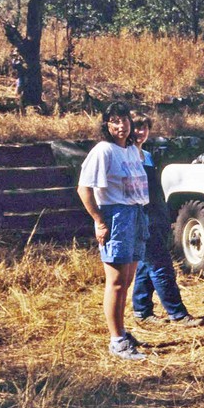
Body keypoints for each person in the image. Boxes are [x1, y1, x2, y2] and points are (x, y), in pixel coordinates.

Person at [76, 102, 150, 361]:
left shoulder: (131, 150)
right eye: (114, 121)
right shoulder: (103, 151)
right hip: (116, 217)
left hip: (136, 214)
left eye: (124, 120)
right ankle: (116, 340)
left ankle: (122, 331)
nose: (121, 126)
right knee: (116, 282)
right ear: (106, 125)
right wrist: (99, 220)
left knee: (127, 281)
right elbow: (84, 189)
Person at [130, 111, 203, 327]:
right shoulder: (126, 156)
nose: (140, 132)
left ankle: (141, 310)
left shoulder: (147, 155)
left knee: (146, 265)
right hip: (142, 220)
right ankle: (178, 314)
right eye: (136, 127)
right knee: (161, 267)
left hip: (157, 218)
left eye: (144, 127)